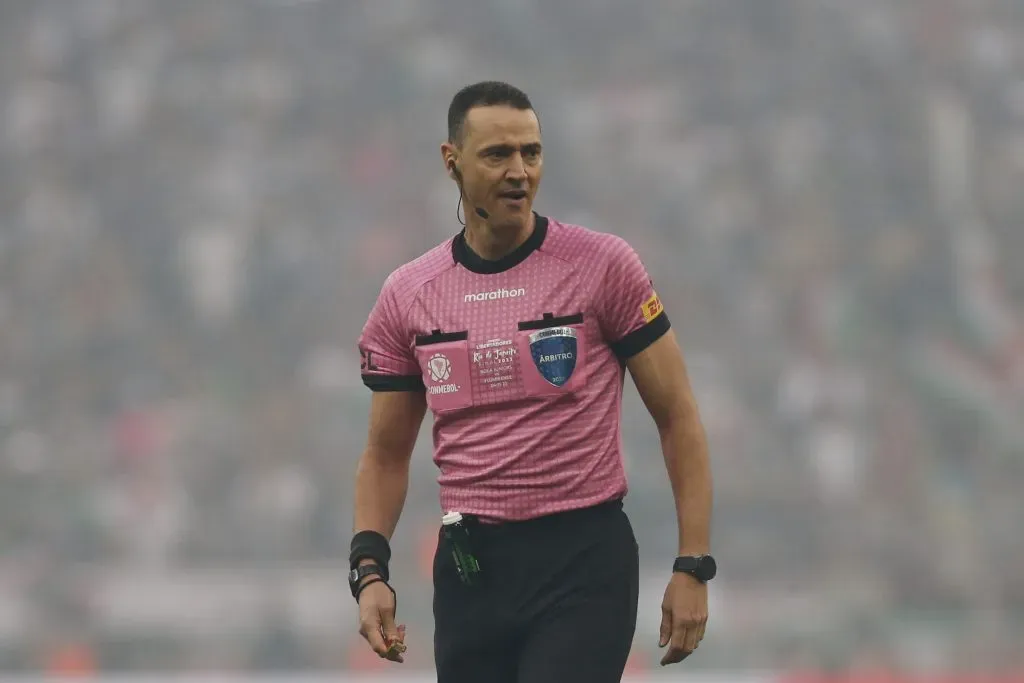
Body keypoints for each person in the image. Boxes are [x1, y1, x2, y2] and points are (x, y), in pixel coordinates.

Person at [348, 81, 715, 682]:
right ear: (452, 162)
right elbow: (386, 454)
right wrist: (370, 570)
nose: (519, 171)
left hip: (583, 562)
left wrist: (693, 564)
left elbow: (677, 415)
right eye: (498, 154)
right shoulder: (409, 295)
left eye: (532, 152)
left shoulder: (602, 266)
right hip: (471, 571)